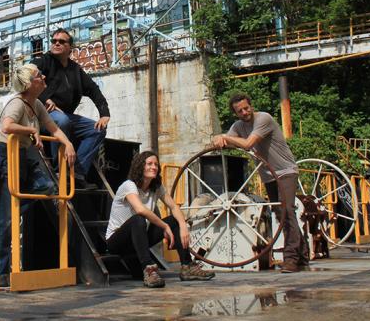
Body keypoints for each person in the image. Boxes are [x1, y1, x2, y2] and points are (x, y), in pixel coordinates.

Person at [0, 63, 76, 288]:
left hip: (23, 156)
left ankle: (3, 214)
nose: (44, 76)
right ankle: (0, 274)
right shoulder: (17, 103)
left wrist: (67, 143)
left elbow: (53, 127)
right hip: (2, 155)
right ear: (30, 84)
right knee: (6, 220)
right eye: (39, 75)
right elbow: (8, 126)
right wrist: (31, 131)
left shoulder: (36, 104)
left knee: (47, 188)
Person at [212, 93, 310, 273]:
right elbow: (227, 141)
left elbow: (248, 144)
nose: (244, 112)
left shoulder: (264, 119)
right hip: (268, 176)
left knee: (287, 211)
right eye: (239, 111)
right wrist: (219, 139)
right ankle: (303, 254)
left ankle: (291, 259)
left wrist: (225, 136)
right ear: (236, 113)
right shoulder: (238, 126)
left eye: (246, 108)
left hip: (285, 171)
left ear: (251, 106)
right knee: (281, 215)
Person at [105, 151, 216, 288]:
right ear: (140, 166)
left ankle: (187, 267)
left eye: (156, 164)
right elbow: (140, 210)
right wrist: (164, 226)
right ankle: (149, 270)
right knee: (139, 219)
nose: (154, 167)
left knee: (174, 221)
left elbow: (174, 207)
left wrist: (182, 226)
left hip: (138, 239)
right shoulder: (128, 185)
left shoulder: (156, 187)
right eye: (149, 164)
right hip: (117, 242)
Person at [31, 28, 110, 188]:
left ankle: (77, 172)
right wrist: (45, 98)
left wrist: (104, 114)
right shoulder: (45, 61)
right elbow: (27, 75)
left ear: (70, 48)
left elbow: (93, 89)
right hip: (42, 116)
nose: (57, 43)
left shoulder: (75, 69)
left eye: (61, 41)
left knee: (97, 130)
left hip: (65, 117)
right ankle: (59, 170)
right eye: (54, 41)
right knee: (62, 120)